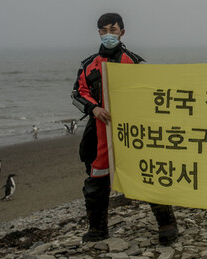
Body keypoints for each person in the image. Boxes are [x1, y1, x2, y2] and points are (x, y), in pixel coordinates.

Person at [71, 13, 179, 244]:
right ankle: (98, 230)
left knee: (148, 174)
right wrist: (94, 109)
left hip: (133, 132)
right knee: (96, 182)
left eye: (113, 29)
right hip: (99, 131)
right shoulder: (89, 64)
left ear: (122, 31)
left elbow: (151, 93)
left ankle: (167, 225)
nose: (108, 34)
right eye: (103, 30)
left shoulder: (135, 62)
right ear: (98, 33)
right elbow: (78, 94)